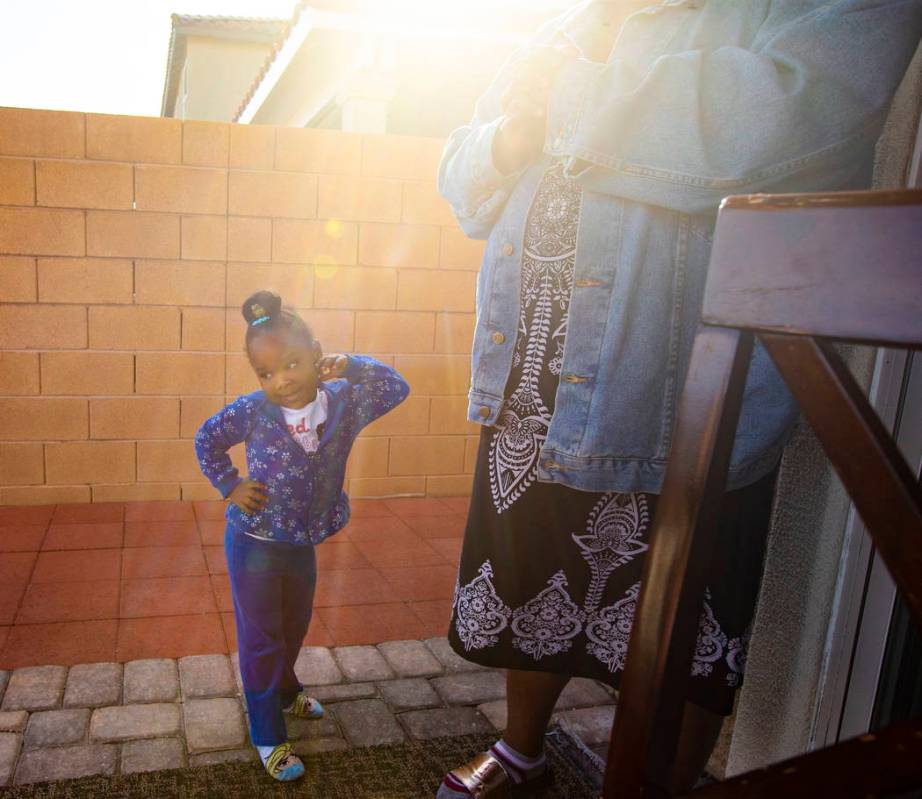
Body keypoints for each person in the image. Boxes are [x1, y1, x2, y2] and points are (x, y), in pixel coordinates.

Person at [435, 1, 922, 796]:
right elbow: (463, 169)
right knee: (533, 572)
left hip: (675, 387)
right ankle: (522, 752)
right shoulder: (566, 25)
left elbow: (790, 113)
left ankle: (658, 785)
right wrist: (505, 140)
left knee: (686, 605)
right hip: (537, 380)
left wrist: (560, 107)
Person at [194, 290, 409, 781]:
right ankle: (268, 732)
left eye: (291, 363)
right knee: (262, 638)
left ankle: (286, 692)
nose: (281, 381)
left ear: (317, 354)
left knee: (294, 625)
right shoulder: (252, 410)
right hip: (254, 545)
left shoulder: (346, 402)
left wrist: (350, 365)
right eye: (265, 373)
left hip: (301, 543)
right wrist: (230, 484)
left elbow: (396, 387)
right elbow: (207, 439)